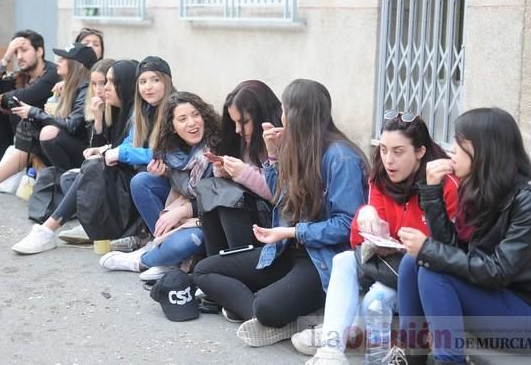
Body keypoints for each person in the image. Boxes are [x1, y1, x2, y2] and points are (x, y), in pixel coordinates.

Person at [193, 79, 368, 347]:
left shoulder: (342, 158)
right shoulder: (298, 146)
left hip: (320, 259)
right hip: (286, 249)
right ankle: (277, 315)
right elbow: (281, 199)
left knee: (266, 307)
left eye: (285, 110)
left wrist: (293, 231)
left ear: (297, 114)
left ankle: (279, 313)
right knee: (204, 270)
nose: (281, 117)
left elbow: (347, 225)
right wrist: (273, 156)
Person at [301, 112, 463, 364]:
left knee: (375, 303)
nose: (388, 160)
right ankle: (331, 351)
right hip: (389, 265)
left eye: (398, 151)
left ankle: (364, 341)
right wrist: (365, 216)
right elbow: (358, 242)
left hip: (420, 275)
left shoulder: (446, 184)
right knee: (343, 260)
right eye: (384, 149)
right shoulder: (381, 178)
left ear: (420, 151)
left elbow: (446, 248)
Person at [392, 107, 531, 364]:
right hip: (492, 301)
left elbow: (498, 271)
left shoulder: (530, 199)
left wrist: (428, 250)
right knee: (413, 261)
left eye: (460, 142)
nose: (451, 148)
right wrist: (431, 191)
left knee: (432, 266)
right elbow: (452, 247)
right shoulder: (479, 187)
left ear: (484, 150)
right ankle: (413, 358)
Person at [11, 59, 136, 255]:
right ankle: (92, 224)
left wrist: (105, 151)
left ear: (126, 85)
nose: (100, 89)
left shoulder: (133, 114)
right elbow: (98, 147)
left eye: (107, 83)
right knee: (70, 177)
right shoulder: (112, 108)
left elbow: (121, 153)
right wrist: (98, 120)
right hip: (116, 177)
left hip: (128, 186)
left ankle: (47, 230)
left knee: (89, 171)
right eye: (95, 84)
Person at [99, 91, 221, 282]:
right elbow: (184, 184)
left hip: (208, 218)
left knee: (186, 243)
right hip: (184, 206)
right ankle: (166, 255)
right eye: (182, 119)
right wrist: (164, 173)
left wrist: (183, 211)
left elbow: (220, 196)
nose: (192, 123)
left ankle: (145, 260)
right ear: (172, 127)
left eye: (196, 115)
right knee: (142, 181)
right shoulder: (172, 150)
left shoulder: (217, 147)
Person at [58, 55, 176, 248]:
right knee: (78, 175)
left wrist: (117, 153)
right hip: (146, 172)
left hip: (172, 181)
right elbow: (128, 143)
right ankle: (96, 226)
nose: (149, 87)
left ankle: (146, 237)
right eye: (143, 82)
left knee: (135, 177)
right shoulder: (143, 110)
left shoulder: (173, 109)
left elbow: (167, 153)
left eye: (155, 80)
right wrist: (101, 130)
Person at [0, 42, 96, 201]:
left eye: (64, 59)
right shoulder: (70, 86)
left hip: (85, 154)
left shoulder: (82, 88)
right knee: (32, 129)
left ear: (77, 65)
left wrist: (34, 112)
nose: (59, 61)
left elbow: (72, 125)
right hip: (69, 147)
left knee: (44, 130)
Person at [199, 80, 282, 256]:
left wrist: (243, 173)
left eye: (243, 122)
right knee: (213, 188)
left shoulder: (279, 139)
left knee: (229, 198)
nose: (237, 130)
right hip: (249, 214)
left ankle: (234, 260)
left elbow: (280, 194)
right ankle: (215, 262)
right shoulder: (245, 139)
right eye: (234, 122)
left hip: (275, 223)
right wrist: (225, 170)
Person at [0, 30, 59, 169]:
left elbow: (26, 96)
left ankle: (13, 167)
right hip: (27, 136)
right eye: (16, 53)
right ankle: (3, 161)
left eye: (24, 51)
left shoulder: (52, 73)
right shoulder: (22, 76)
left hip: (48, 139)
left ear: (39, 51)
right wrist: (6, 58)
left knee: (12, 103)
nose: (19, 57)